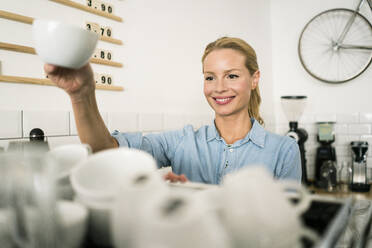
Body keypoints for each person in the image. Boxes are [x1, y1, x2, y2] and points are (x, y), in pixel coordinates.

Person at [45, 37, 301, 184]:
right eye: (210, 77)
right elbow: (104, 151)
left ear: (254, 79)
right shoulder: (181, 142)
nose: (219, 88)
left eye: (232, 75)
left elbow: (286, 227)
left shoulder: (283, 151)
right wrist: (82, 95)